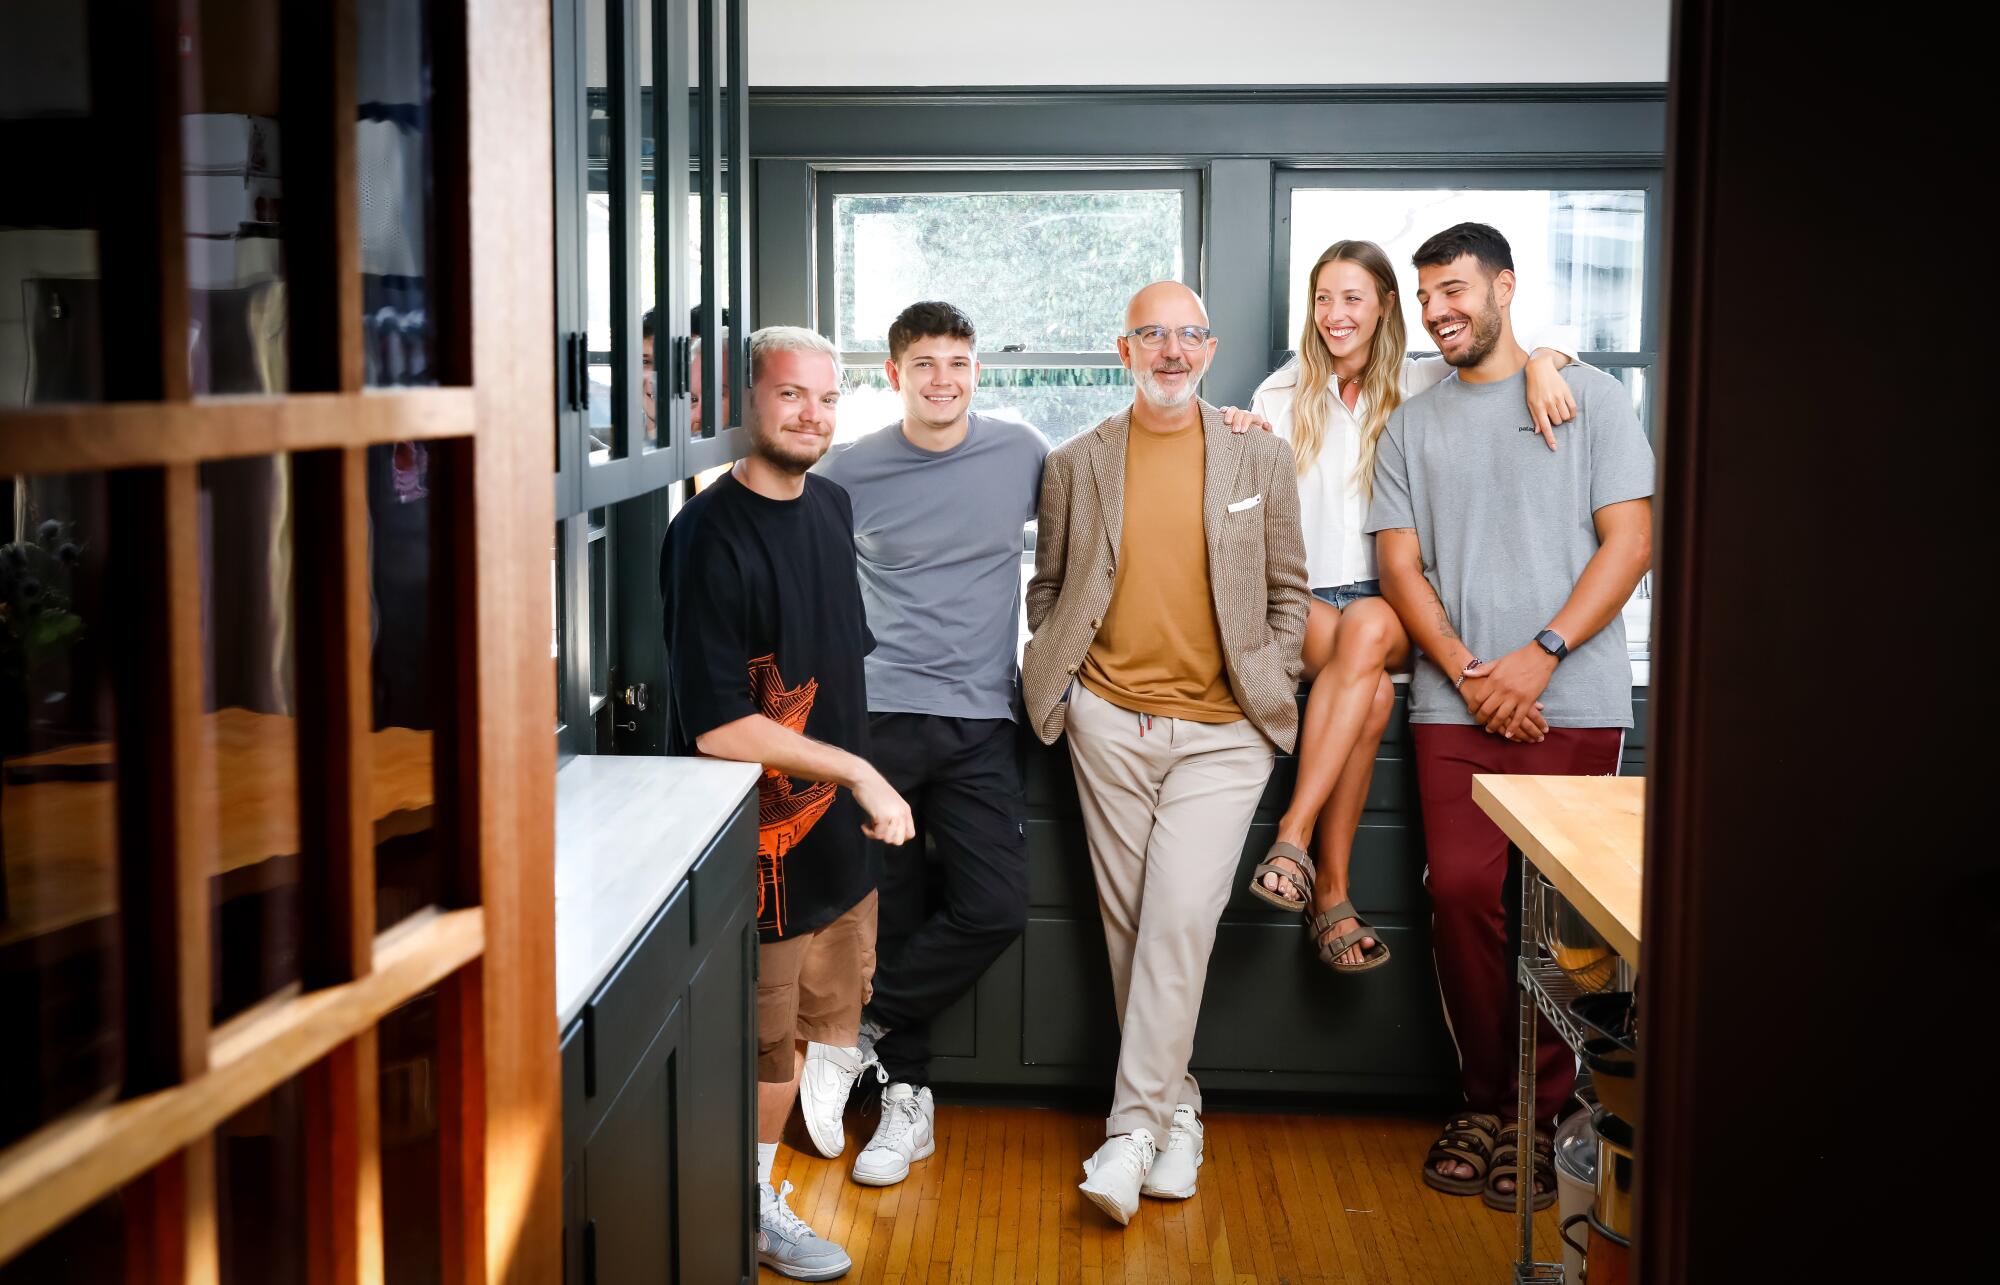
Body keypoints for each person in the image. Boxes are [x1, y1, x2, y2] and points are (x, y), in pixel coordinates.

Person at [1365, 223, 1652, 1212]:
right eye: (1426, 296)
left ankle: (1550, 1117)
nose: (1439, 310)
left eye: (1454, 290)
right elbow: (1399, 564)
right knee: (1459, 896)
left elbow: (1630, 540)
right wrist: (1469, 671)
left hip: (1571, 695)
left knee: (1563, 924)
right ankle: (1485, 1101)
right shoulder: (1410, 425)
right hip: (1454, 704)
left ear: (1503, 288)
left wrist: (1539, 657)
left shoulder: (1588, 399)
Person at [1022, 281, 1309, 1225]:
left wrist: (1265, 679)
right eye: (1155, 334)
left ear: (1211, 348)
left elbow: (1289, 593)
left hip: (1226, 733)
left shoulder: (1259, 453)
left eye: (1189, 335)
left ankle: (1131, 1132)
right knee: (1130, 927)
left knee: (1180, 916)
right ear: (1125, 347)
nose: (1173, 351)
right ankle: (1177, 1114)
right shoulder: (1076, 461)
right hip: (1108, 721)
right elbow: (1052, 585)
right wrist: (1065, 688)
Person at [1242, 240, 1581, 970]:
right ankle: (1328, 889)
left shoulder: (1426, 381)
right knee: (1365, 698)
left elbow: (1527, 353)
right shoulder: (1277, 395)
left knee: (1367, 625)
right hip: (1301, 605)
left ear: (1387, 305)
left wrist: (1550, 362)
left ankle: (1293, 837)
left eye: (1354, 298)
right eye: (1324, 299)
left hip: (1391, 604)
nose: (1336, 315)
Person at [659, 324, 917, 1280]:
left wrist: (853, 779)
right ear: (746, 402)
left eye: (826, 397)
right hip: (758, 854)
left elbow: (834, 664)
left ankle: (756, 1185)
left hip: (839, 845)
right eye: (790, 395)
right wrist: (858, 770)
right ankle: (747, 1207)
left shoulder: (833, 504)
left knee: (828, 1021)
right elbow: (721, 727)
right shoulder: (704, 539)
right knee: (766, 1046)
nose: (812, 414)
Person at [803, 301, 1050, 1188]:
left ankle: (854, 1032)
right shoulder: (849, 469)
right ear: (893, 374)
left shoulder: (1021, 452)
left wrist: (1235, 423)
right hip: (879, 725)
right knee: (894, 909)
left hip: (985, 716)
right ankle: (909, 1100)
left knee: (995, 907)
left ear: (976, 369)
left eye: (959, 361)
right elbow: (796, 562)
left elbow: (1111, 491)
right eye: (925, 364)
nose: (943, 378)